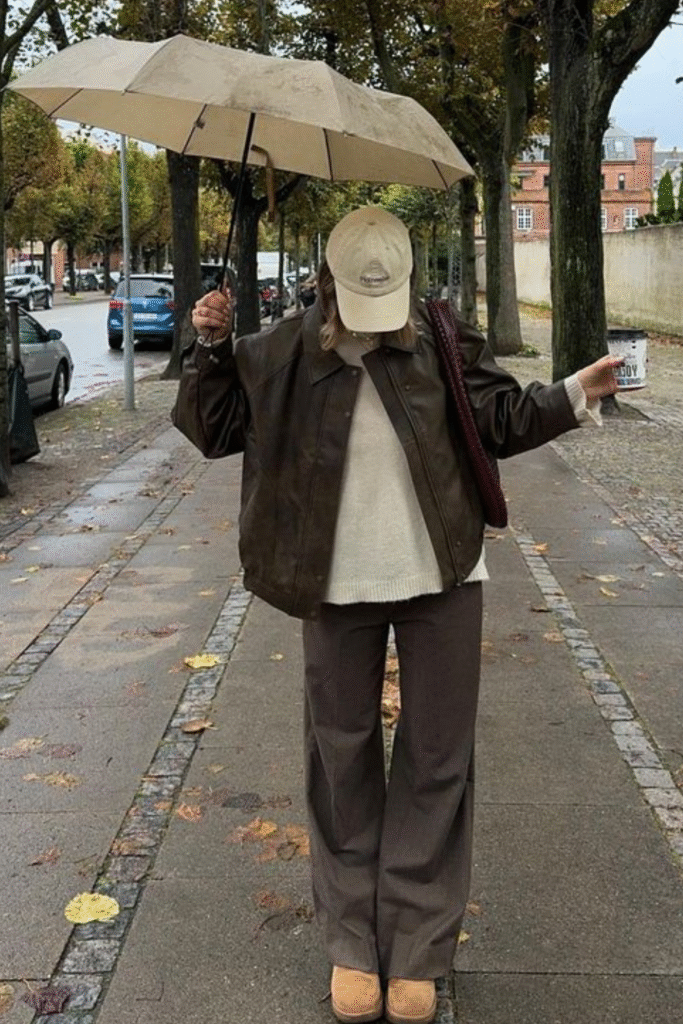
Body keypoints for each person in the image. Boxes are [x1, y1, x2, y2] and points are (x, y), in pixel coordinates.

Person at [172, 206, 622, 1024]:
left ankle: (416, 945)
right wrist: (209, 348)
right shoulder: (278, 350)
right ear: (327, 285)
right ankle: (351, 942)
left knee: (437, 757)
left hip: (442, 573)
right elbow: (213, 432)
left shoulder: (442, 339)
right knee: (340, 759)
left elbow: (500, 419)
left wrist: (570, 395)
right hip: (327, 582)